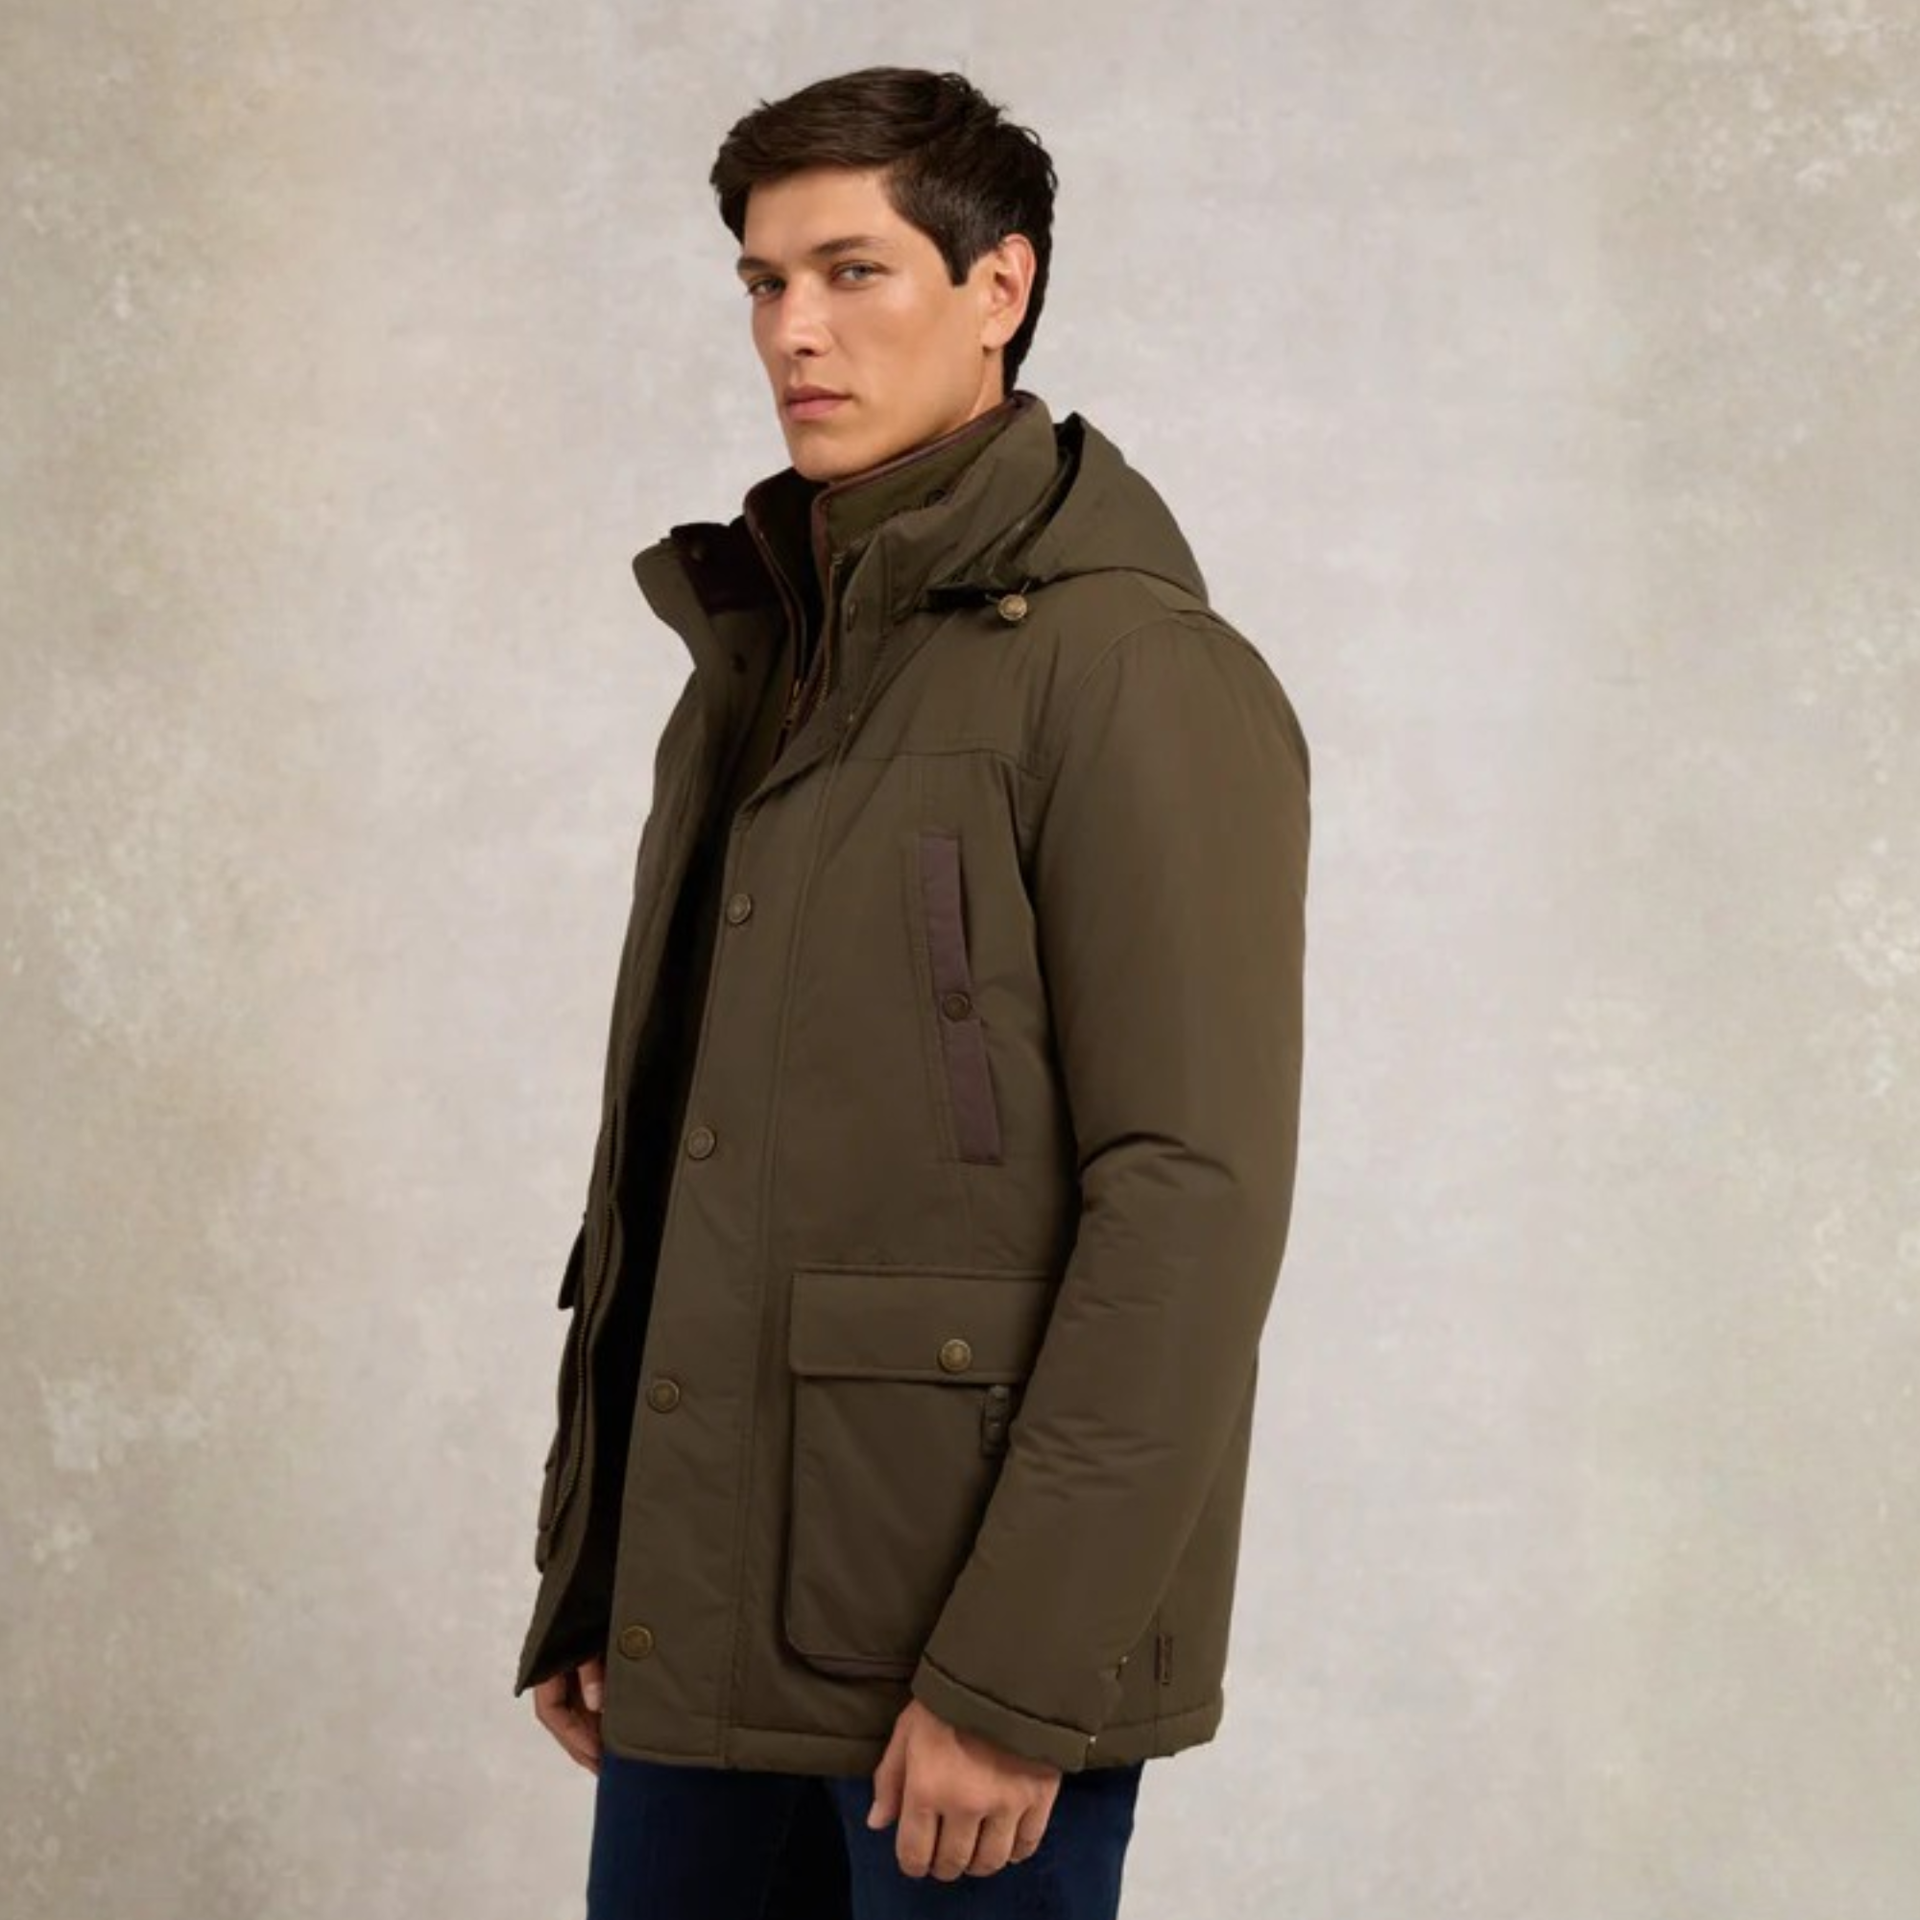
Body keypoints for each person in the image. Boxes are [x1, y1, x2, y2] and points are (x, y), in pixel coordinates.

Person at [511, 63, 1313, 1920]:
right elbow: (694, 1163)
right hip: (704, 1629)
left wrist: (1016, 1682)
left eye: (852, 271)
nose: (794, 330)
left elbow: (1188, 1201)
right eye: (763, 281)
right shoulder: (757, 665)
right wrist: (609, 1569)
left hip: (964, 1676)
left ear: (998, 286)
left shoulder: (1131, 671)